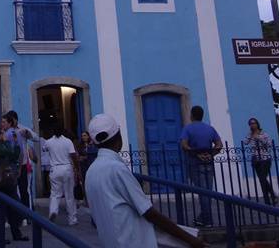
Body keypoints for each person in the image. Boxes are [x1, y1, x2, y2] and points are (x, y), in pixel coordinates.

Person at [84, 114, 206, 248]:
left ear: (95, 142)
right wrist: (191, 240)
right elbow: (149, 213)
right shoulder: (117, 169)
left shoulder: (91, 171)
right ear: (118, 135)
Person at [180, 105, 222, 227]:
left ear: (192, 115)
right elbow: (219, 144)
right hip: (208, 163)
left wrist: (196, 154)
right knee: (207, 191)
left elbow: (184, 145)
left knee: (202, 191)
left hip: (195, 163)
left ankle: (207, 220)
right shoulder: (210, 129)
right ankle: (203, 217)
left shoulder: (188, 129)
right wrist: (211, 154)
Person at [0, 124, 28, 242]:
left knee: (14, 209)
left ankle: (17, 234)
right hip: (0, 182)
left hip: (9, 181)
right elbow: (9, 152)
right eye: (2, 133)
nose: (5, 135)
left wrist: (15, 144)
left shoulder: (4, 146)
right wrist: (7, 143)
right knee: (1, 211)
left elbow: (14, 156)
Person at [43, 127, 79, 226]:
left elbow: (44, 149)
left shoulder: (49, 142)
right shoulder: (68, 141)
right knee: (69, 195)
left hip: (54, 169)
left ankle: (53, 211)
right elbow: (73, 155)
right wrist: (76, 167)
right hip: (67, 168)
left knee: (55, 194)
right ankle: (72, 219)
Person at [2, 111, 35, 211]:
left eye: (4, 122)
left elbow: (20, 152)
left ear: (9, 123)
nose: (2, 124)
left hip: (16, 166)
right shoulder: (8, 134)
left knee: (21, 190)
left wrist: (19, 167)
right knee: (17, 190)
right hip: (14, 166)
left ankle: (24, 214)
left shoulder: (13, 134)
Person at [243, 117, 277, 205]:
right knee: (262, 180)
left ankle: (272, 195)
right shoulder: (250, 134)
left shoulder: (264, 134)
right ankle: (268, 200)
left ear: (257, 124)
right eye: (250, 124)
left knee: (262, 178)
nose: (252, 125)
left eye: (254, 123)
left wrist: (258, 137)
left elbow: (269, 144)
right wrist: (251, 135)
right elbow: (245, 142)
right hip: (255, 159)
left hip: (265, 159)